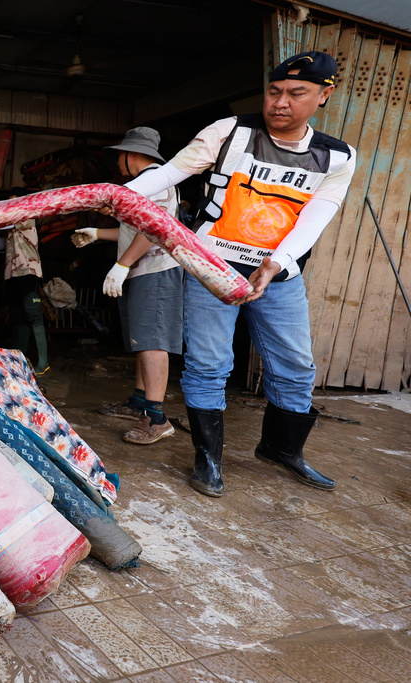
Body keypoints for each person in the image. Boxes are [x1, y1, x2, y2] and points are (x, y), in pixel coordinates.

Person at [122, 51, 356, 497]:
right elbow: (171, 172)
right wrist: (116, 194)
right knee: (210, 364)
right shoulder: (230, 132)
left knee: (295, 368)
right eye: (274, 91)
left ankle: (283, 449)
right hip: (211, 267)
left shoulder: (337, 157)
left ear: (325, 95)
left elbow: (314, 219)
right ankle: (208, 458)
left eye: (296, 93)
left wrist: (278, 263)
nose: (280, 102)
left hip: (279, 274)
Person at [72, 127, 182, 445]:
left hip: (155, 271)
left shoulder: (157, 181)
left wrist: (122, 265)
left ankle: (157, 418)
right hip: (140, 270)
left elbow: (151, 231)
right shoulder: (141, 186)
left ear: (131, 154)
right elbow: (130, 231)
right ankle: (139, 402)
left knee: (152, 342)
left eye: (119, 156)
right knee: (141, 340)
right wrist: (96, 232)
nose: (117, 163)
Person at [0, 187, 50, 376]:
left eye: (14, 201)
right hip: (12, 274)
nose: (11, 205)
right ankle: (17, 358)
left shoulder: (26, 216)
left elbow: (3, 223)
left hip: (28, 272)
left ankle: (43, 362)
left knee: (33, 315)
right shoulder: (11, 226)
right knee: (17, 316)